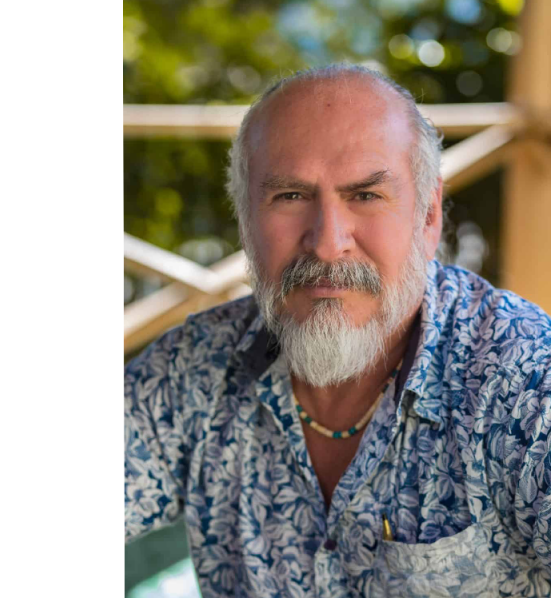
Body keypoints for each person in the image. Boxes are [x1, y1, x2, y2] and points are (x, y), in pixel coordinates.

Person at [125, 64, 551, 597]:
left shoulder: (526, 379)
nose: (327, 244)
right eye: (290, 196)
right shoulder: (194, 368)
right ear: (245, 220)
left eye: (366, 196)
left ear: (428, 216)